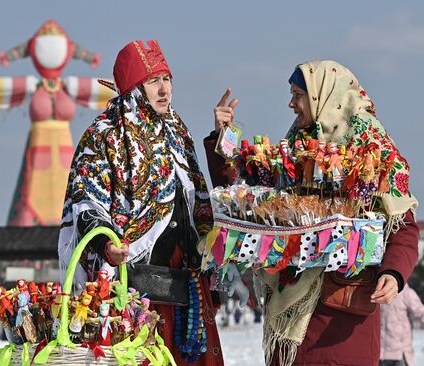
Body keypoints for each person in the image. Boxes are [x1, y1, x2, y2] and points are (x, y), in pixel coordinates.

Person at [204, 60, 420, 366]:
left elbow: (403, 225)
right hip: (288, 316)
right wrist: (223, 138)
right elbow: (247, 203)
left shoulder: (373, 151)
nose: (291, 104)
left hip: (340, 323)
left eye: (297, 94)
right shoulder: (295, 148)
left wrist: (394, 273)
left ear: (322, 96)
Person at [58, 40, 223, 365]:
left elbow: (197, 194)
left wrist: (222, 137)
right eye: (153, 82)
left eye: (167, 79)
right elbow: (85, 201)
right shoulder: (104, 134)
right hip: (131, 286)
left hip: (187, 284)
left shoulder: (177, 131)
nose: (164, 90)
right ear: (133, 88)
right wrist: (106, 243)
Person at [380, 284, 424, 366]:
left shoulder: (407, 293)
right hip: (381, 353)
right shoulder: (379, 292)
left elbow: (420, 312)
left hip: (400, 354)